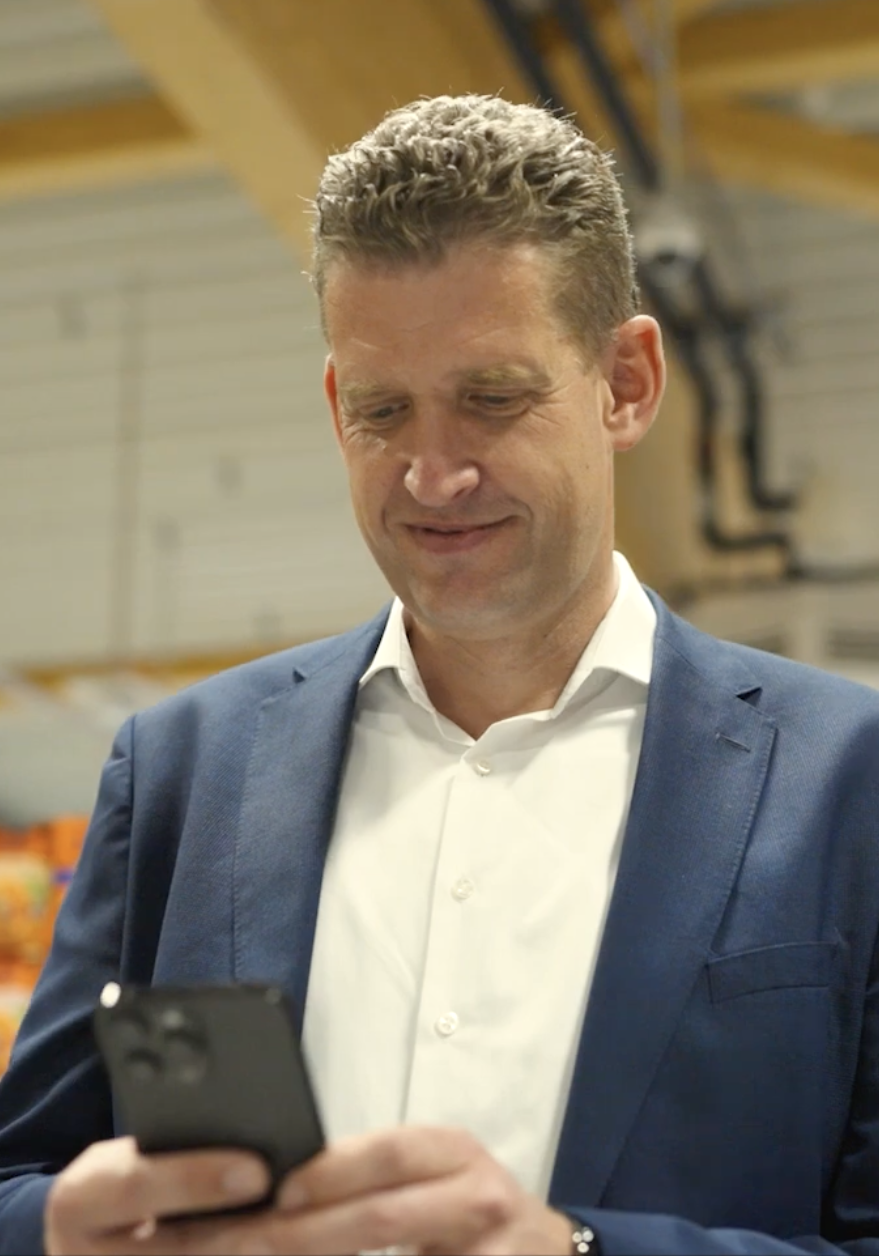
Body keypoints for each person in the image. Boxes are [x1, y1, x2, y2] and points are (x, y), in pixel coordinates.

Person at [0, 93, 877, 1256]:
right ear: (332, 405)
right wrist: (62, 1224)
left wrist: (573, 1249)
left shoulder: (847, 776)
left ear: (626, 382)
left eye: (492, 399)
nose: (432, 474)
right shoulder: (182, 771)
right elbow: (21, 1175)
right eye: (382, 410)